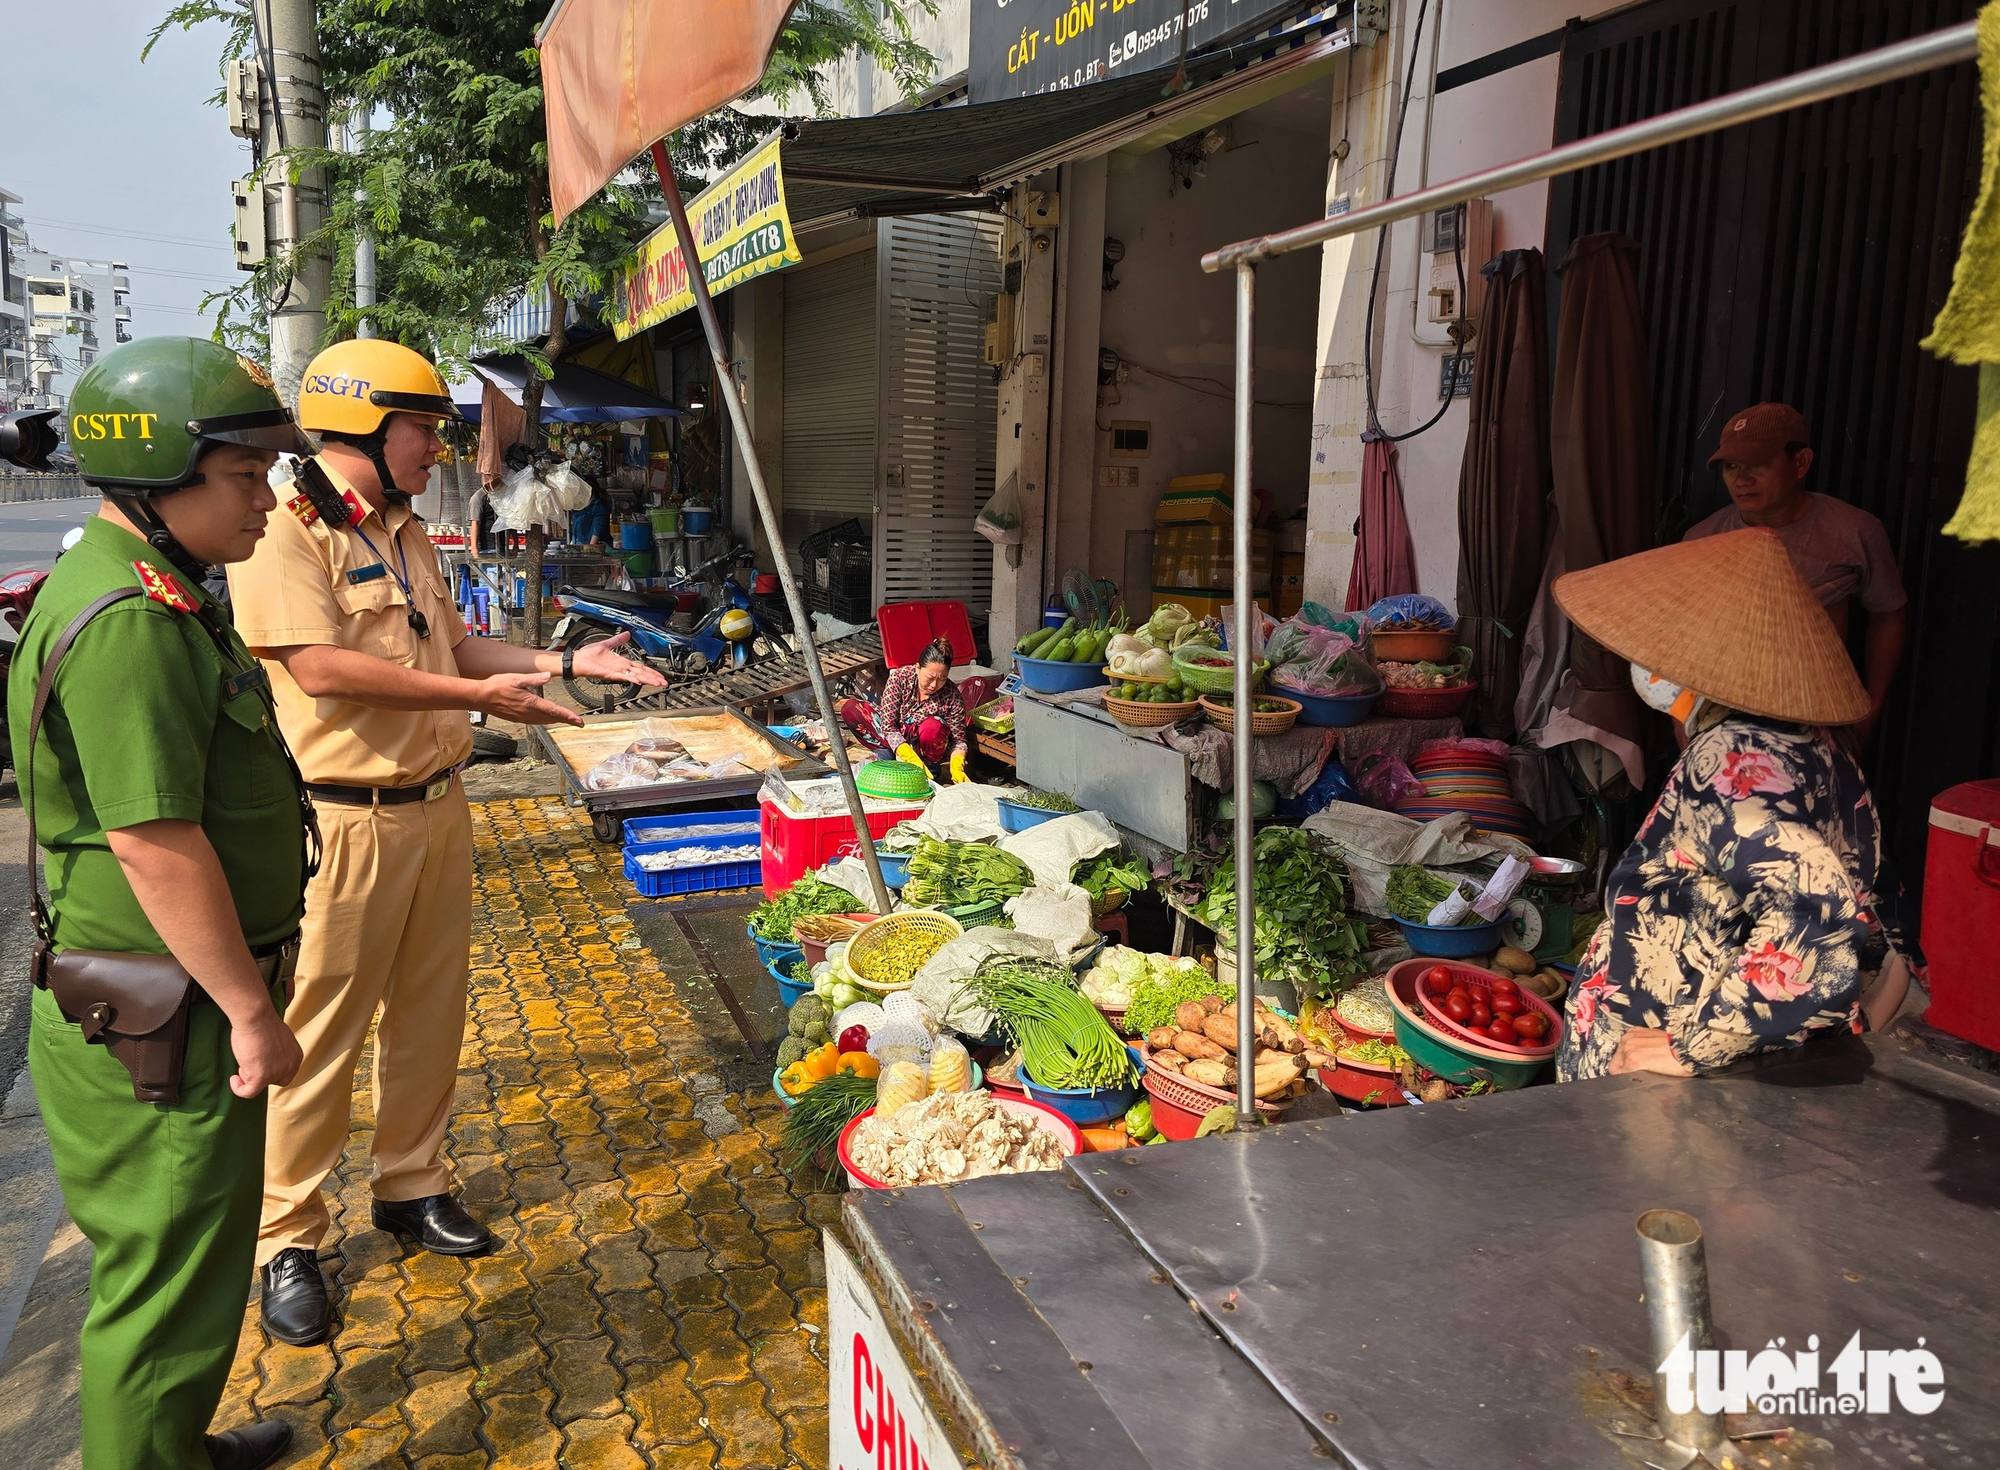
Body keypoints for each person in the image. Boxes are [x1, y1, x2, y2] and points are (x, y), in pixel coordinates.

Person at [227, 337, 665, 1346]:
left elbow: (454, 645)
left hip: (438, 807)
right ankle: (287, 1236)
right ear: (368, 428)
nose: (441, 448)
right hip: (343, 822)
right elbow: (321, 669)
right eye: (424, 429)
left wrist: (561, 662)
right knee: (322, 1034)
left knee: (430, 1014)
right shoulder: (287, 531)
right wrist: (477, 698)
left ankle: (409, 1185)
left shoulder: (405, 530)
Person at [8, 337, 315, 1470]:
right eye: (244, 477)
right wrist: (253, 1011)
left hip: (171, 1004)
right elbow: (155, 844)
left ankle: (171, 1447)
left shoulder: (156, 586)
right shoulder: (131, 618)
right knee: (163, 1288)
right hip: (171, 1019)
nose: (267, 502)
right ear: (158, 477)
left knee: (188, 1268)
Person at [1550, 527, 1910, 1083]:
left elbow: (1819, 919)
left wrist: (1693, 1048)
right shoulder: (1819, 746)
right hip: (1742, 1077)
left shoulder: (1732, 757)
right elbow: (1879, 896)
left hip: (1665, 1089)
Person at [1684, 403, 1908, 742]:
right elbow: (1680, 641)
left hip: (1818, 716)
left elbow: (1888, 613)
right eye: (1731, 466)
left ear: (1801, 462)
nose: (1742, 480)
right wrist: (1683, 721)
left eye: (1759, 464)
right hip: (1719, 720)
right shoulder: (1701, 540)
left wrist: (1873, 703)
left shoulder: (1853, 531)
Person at [840, 637, 970, 783]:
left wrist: (957, 767)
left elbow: (959, 741)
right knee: (851, 709)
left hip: (923, 745)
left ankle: (929, 767)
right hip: (894, 735)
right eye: (930, 677)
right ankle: (886, 753)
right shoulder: (900, 678)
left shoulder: (952, 696)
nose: (934, 685)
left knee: (934, 726)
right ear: (917, 668)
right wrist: (908, 755)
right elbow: (888, 725)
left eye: (942, 678)